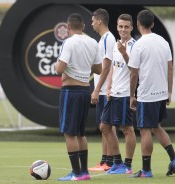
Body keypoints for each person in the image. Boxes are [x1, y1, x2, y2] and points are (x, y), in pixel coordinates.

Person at [129, 10, 175, 178]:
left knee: (145, 130)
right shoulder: (163, 42)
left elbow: (133, 73)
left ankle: (146, 170)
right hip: (161, 93)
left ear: (137, 24)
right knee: (156, 127)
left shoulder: (139, 44)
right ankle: (174, 158)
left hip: (147, 95)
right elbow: (170, 68)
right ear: (152, 24)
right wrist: (169, 91)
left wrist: (131, 95)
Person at [55, 13, 102, 181]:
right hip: (85, 91)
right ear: (83, 26)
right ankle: (84, 172)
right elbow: (98, 69)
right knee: (81, 134)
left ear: (68, 28)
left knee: (69, 133)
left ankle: (76, 173)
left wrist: (57, 65)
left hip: (71, 91)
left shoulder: (69, 42)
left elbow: (60, 69)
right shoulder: (92, 42)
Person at [98, 14, 137, 175]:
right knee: (105, 127)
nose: (123, 29)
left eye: (126, 27)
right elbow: (113, 67)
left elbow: (135, 70)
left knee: (126, 129)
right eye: (120, 26)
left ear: (132, 28)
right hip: (113, 93)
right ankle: (118, 162)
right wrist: (108, 88)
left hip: (125, 94)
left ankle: (127, 166)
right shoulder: (115, 44)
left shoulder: (134, 46)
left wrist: (124, 53)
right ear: (117, 26)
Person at [88, 8, 116, 172]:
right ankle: (105, 160)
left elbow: (106, 68)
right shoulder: (103, 40)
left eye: (93, 21)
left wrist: (97, 89)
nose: (91, 23)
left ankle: (110, 161)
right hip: (103, 89)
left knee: (107, 127)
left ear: (99, 21)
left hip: (106, 90)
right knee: (103, 127)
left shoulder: (108, 39)